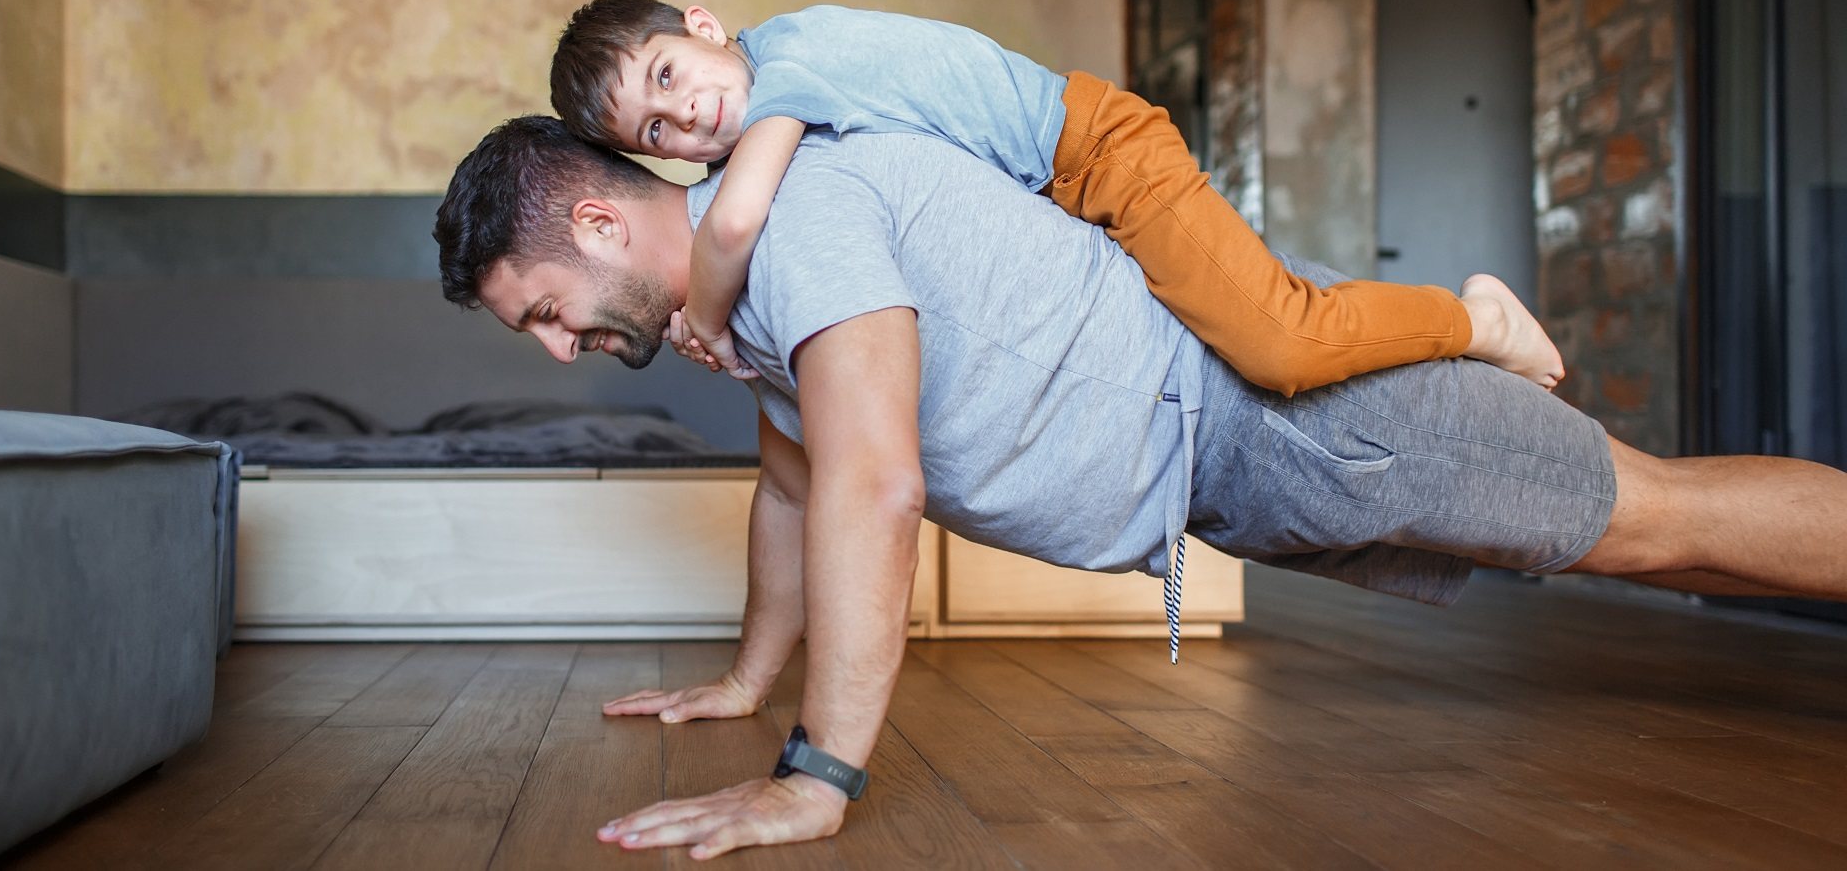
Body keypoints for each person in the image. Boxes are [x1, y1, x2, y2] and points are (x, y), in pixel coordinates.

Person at [433, 117, 1847, 862]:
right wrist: (749, 678)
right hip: (1255, 472)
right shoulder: (750, 301)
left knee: (1658, 515)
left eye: (547, 309)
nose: (564, 347)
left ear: (605, 220)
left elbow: (873, 482)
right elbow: (796, 488)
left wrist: (818, 771)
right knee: (1629, 544)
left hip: (1298, 422)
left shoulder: (798, 225)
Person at [547, 0, 1563, 394]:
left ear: (704, 24)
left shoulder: (791, 63)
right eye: (657, 134)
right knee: (1253, 311)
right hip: (1067, 190)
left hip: (1103, 153)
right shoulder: (771, 114)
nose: (689, 123)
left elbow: (730, 221)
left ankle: (1473, 318)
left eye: (671, 79)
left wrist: (709, 324)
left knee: (1278, 345)